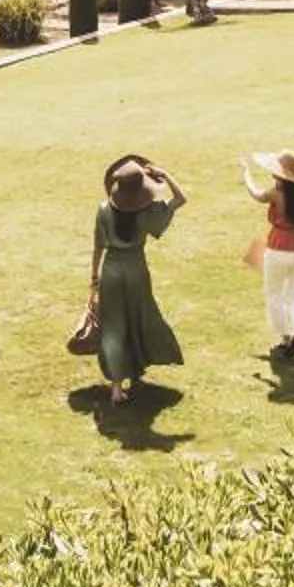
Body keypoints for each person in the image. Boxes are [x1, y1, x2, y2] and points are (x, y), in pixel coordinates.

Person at [88, 156, 185, 404]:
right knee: (141, 316)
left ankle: (116, 388)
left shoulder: (103, 210)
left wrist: (94, 278)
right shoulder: (147, 212)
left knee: (113, 326)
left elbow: (98, 247)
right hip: (136, 270)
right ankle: (139, 364)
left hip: (111, 270)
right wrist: (165, 174)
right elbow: (180, 199)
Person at [242, 147, 294, 361]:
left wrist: (245, 173)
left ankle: (285, 338)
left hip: (280, 248)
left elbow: (256, 194)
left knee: (274, 295)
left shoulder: (276, 193)